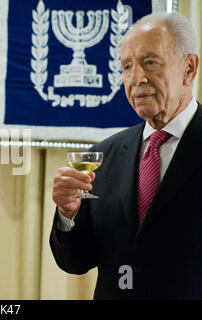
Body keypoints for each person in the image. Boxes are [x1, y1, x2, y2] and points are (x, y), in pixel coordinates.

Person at [50, 12, 200, 299]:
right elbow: (75, 261)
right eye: (127, 66)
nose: (136, 78)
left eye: (150, 63)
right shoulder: (101, 157)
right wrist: (68, 214)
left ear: (189, 68)